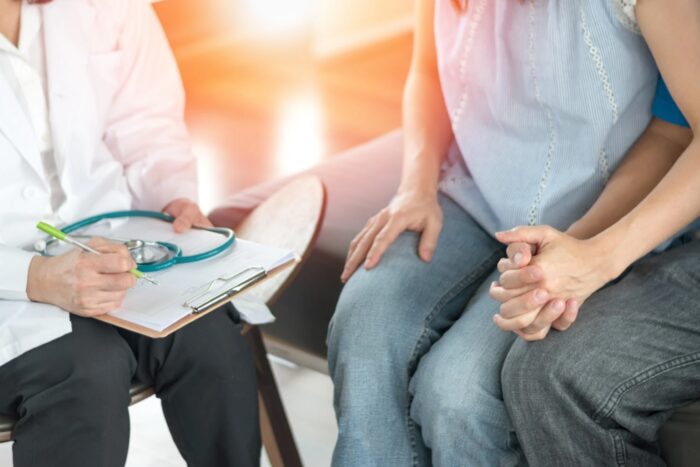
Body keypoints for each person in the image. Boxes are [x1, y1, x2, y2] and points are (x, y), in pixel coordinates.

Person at [327, 0, 700, 466]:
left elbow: (676, 133)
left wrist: (586, 254)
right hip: (473, 195)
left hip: (600, 212)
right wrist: (415, 187)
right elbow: (425, 70)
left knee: (458, 394)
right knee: (364, 324)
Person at [0, 1, 260, 466]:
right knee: (85, 374)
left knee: (211, 344)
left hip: (110, 237)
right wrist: (33, 277)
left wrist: (172, 197)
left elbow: (144, 121)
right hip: (8, 284)